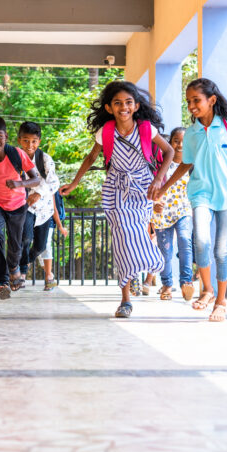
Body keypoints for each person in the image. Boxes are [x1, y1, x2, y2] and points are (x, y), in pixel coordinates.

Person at [157, 78, 227, 322]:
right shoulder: (193, 132)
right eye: (188, 102)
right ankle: (207, 290)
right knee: (201, 240)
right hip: (201, 193)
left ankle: (221, 301)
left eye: (196, 100)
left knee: (221, 250)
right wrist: (164, 187)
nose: (191, 106)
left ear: (212, 100)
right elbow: (186, 162)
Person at [60, 81, 173, 318]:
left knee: (139, 232)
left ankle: (140, 271)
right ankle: (125, 299)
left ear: (136, 105)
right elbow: (91, 158)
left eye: (128, 102)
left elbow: (170, 152)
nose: (124, 107)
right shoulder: (106, 131)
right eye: (118, 103)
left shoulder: (145, 128)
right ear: (109, 108)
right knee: (121, 236)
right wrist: (74, 183)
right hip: (115, 187)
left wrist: (157, 180)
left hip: (142, 186)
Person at [0, 116, 41, 300]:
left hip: (17, 205)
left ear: (6, 136)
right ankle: (2, 281)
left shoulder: (17, 154)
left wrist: (19, 183)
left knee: (16, 244)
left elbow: (36, 179)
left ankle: (14, 267)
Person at [16, 121, 66, 291]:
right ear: (19, 140)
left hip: (44, 209)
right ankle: (21, 272)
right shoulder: (15, 158)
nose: (30, 145)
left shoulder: (44, 159)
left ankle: (25, 262)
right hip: (25, 207)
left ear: (39, 141)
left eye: (34, 141)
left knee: (41, 246)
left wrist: (39, 193)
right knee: (25, 238)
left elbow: (54, 182)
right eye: (26, 141)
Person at [151, 127, 194, 302]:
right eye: (176, 141)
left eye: (184, 141)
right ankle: (167, 284)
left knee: (185, 240)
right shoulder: (160, 165)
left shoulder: (192, 164)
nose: (180, 145)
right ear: (169, 143)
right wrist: (154, 204)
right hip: (162, 215)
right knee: (166, 252)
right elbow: (150, 186)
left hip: (183, 210)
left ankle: (186, 282)